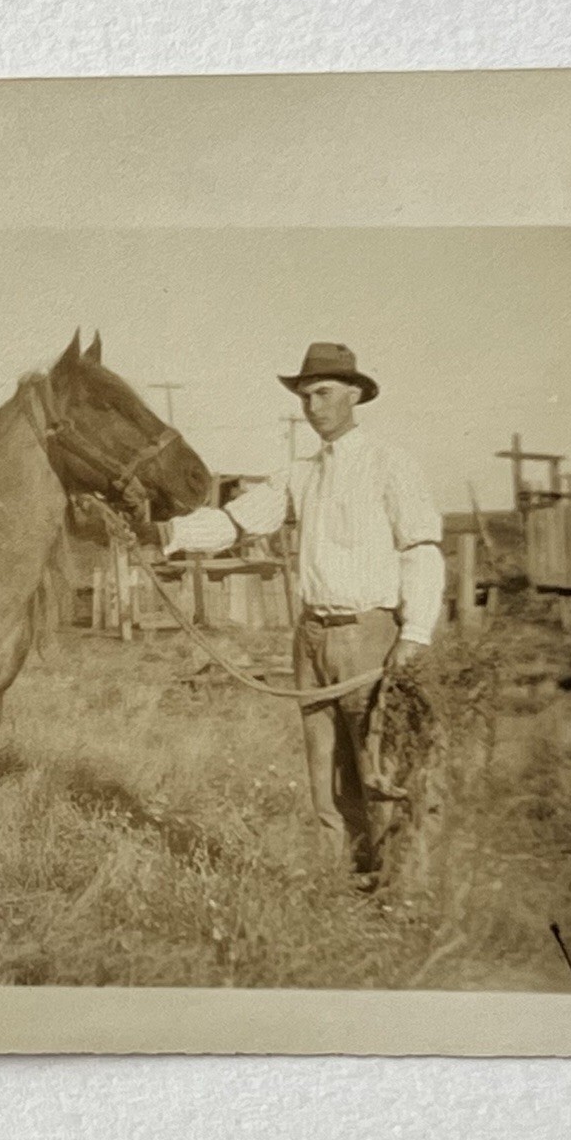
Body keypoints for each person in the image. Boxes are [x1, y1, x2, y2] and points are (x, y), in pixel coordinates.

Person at [152, 343, 445, 882]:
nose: (313, 406)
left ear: (355, 394)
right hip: (310, 639)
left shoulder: (389, 463)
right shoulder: (298, 473)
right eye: (306, 396)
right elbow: (239, 523)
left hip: (370, 635)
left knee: (379, 769)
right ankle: (343, 886)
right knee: (324, 778)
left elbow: (421, 548)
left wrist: (416, 633)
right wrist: (168, 533)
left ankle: (401, 894)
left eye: (323, 393)